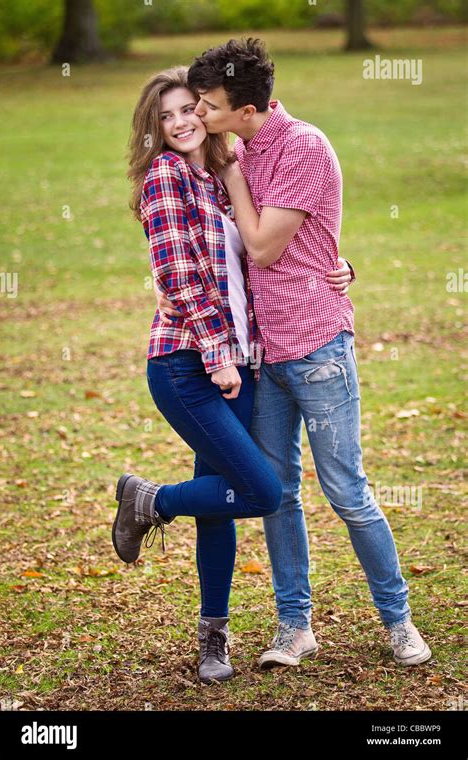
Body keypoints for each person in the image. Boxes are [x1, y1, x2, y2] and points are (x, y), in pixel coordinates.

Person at [156, 38, 431, 669]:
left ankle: (398, 621)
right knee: (277, 491)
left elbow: (262, 247)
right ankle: (294, 624)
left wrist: (338, 264)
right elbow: (205, 245)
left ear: (247, 109)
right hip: (263, 354)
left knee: (346, 489)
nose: (198, 112)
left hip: (316, 348)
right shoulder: (242, 147)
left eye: (210, 104)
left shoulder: (302, 146)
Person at [112, 65, 355, 684]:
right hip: (187, 366)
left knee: (219, 503)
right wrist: (217, 353)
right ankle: (150, 499)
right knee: (261, 492)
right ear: (154, 131)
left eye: (189, 107)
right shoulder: (167, 176)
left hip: (241, 363)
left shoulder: (221, 176)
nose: (181, 121)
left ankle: (212, 637)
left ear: (208, 110)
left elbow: (269, 246)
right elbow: (177, 277)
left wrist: (339, 266)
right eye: (165, 117)